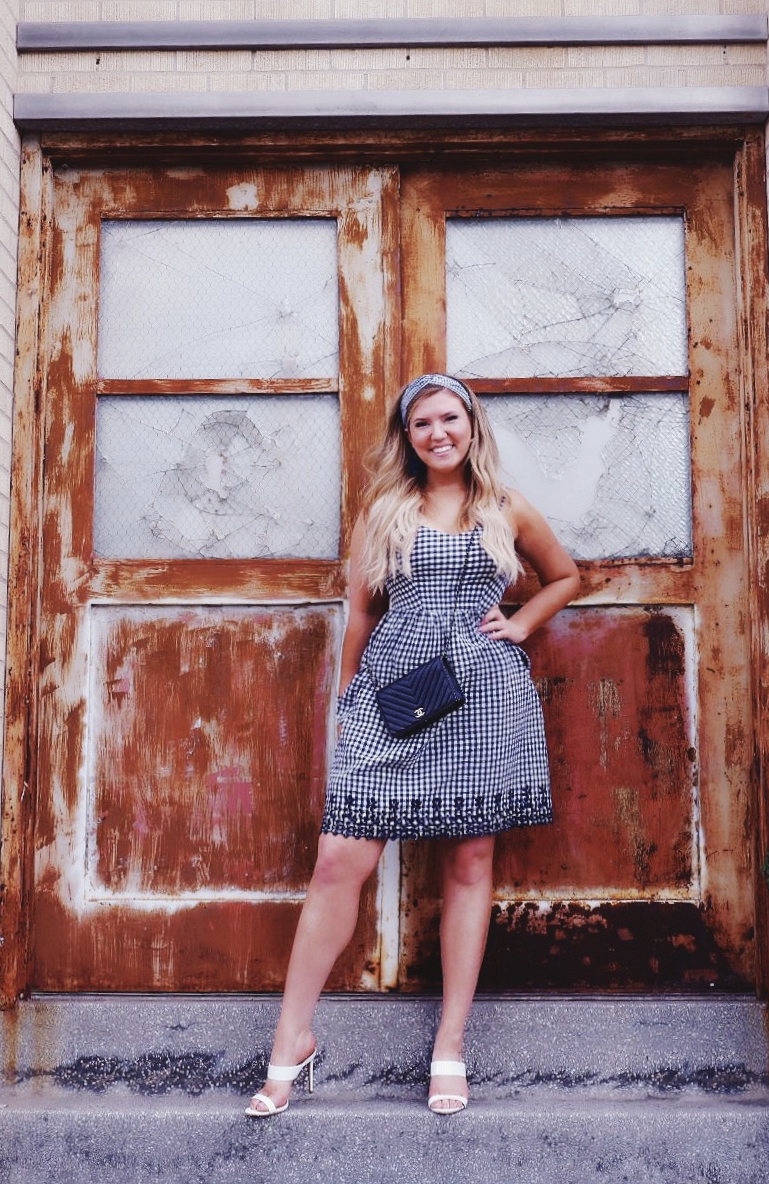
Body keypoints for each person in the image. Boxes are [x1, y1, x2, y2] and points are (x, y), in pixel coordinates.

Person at [245, 373, 580, 1118]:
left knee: (469, 860)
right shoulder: (387, 511)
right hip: (397, 694)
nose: (438, 433)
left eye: (449, 418)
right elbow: (359, 614)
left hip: (483, 696)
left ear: (471, 426)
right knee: (340, 859)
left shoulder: (505, 508)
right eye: (423, 422)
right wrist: (346, 701)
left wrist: (522, 625)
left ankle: (449, 1047)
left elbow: (564, 577)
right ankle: (290, 1039)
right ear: (409, 436)